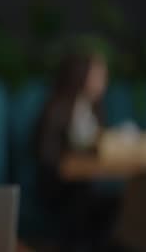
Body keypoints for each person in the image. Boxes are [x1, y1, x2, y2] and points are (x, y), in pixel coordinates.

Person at [33, 52, 122, 251]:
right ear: (82, 75)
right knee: (85, 200)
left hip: (86, 181)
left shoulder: (95, 108)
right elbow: (45, 153)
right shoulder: (56, 107)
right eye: (98, 76)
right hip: (58, 185)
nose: (103, 81)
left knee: (117, 202)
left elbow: (99, 144)